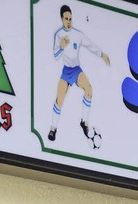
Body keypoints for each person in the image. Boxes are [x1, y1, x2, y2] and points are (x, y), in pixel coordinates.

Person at [48, 4, 110, 142]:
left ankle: (84, 122)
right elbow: (55, 55)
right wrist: (62, 47)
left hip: (76, 70)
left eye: (70, 18)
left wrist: (102, 54)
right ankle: (53, 129)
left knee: (89, 90)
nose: (69, 21)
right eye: (66, 19)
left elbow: (90, 45)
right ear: (61, 19)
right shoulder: (58, 35)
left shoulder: (77, 34)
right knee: (59, 101)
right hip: (66, 71)